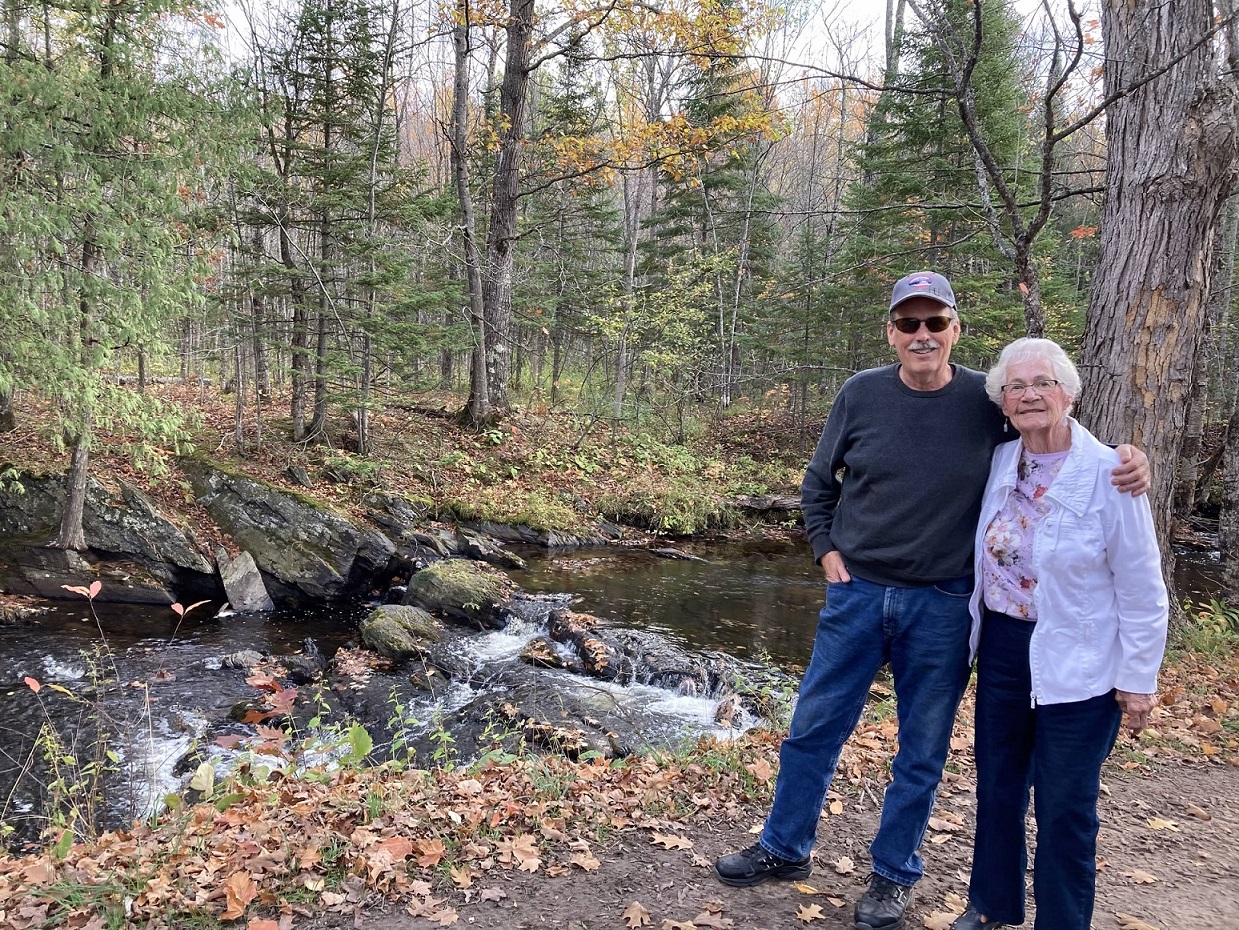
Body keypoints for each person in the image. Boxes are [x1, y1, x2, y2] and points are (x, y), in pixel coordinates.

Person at [713, 272, 1150, 930]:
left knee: (921, 750)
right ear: (891, 332)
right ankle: (784, 846)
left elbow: (1054, 435)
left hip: (944, 605)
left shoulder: (985, 399)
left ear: (954, 330)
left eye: (935, 322)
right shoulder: (860, 393)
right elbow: (818, 482)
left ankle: (893, 875)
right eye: (908, 323)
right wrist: (825, 550)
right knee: (812, 730)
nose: (922, 335)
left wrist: (1131, 457)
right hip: (857, 594)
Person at [949, 338, 1168, 930]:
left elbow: (1142, 586)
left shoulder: (1112, 473)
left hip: (1082, 656)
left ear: (1068, 394)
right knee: (998, 785)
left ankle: (1063, 921)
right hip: (1003, 648)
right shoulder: (1001, 460)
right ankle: (991, 903)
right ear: (1002, 403)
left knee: (1065, 802)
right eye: (1015, 387)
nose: (1029, 395)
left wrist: (1138, 678)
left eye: (1042, 383)